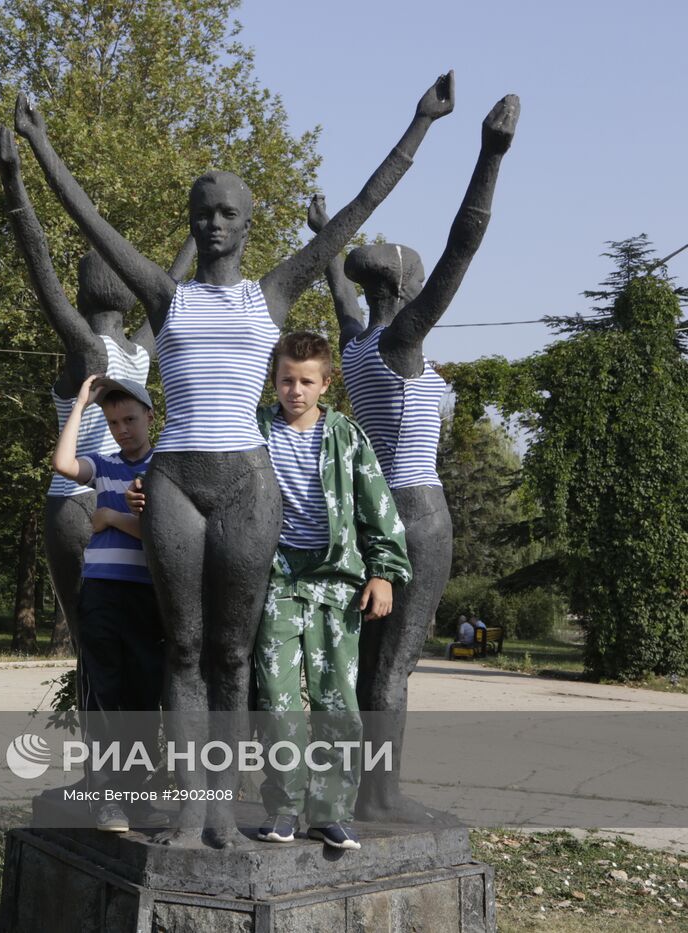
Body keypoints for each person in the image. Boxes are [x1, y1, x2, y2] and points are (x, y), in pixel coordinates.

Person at [14, 74, 453, 846]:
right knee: (182, 646)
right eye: (202, 213)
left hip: (249, 485)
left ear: (248, 225)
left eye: (227, 213)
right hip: (177, 481)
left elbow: (357, 210)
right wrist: (39, 147)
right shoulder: (165, 295)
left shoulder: (270, 294)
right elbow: (90, 219)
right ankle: (193, 806)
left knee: (232, 650)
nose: (212, 224)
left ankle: (224, 803)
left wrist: (420, 124)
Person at [308, 93, 519, 822]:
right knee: (393, 666)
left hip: (370, 514)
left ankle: (358, 787)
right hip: (416, 511)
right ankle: (380, 795)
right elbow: (465, 245)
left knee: (367, 660)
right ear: (407, 287)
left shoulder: (358, 340)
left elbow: (338, 282)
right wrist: (490, 157)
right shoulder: (399, 343)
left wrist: (328, 243)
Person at [0, 125, 192, 670]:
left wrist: (13, 181)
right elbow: (167, 281)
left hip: (88, 492)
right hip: (102, 488)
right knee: (122, 629)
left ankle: (108, 727)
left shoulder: (109, 350)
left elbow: (45, 271)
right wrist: (194, 236)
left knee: (100, 639)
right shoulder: (119, 351)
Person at [250, 332, 411, 851]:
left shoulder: (345, 435)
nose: (295, 390)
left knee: (334, 700)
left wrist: (383, 571)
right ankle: (283, 809)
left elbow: (377, 505)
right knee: (277, 700)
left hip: (337, 582)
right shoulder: (256, 430)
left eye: (306, 381)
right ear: (274, 380)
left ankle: (331, 812)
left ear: (325, 383)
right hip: (277, 580)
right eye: (286, 380)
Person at [50, 374, 166, 833]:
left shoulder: (166, 468)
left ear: (151, 418)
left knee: (142, 699)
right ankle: (107, 800)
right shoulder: (103, 465)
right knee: (103, 696)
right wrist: (80, 404)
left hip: (147, 597)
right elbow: (62, 463)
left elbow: (162, 535)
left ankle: (138, 799)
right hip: (99, 593)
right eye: (114, 421)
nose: (122, 429)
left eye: (130, 419)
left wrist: (110, 517)